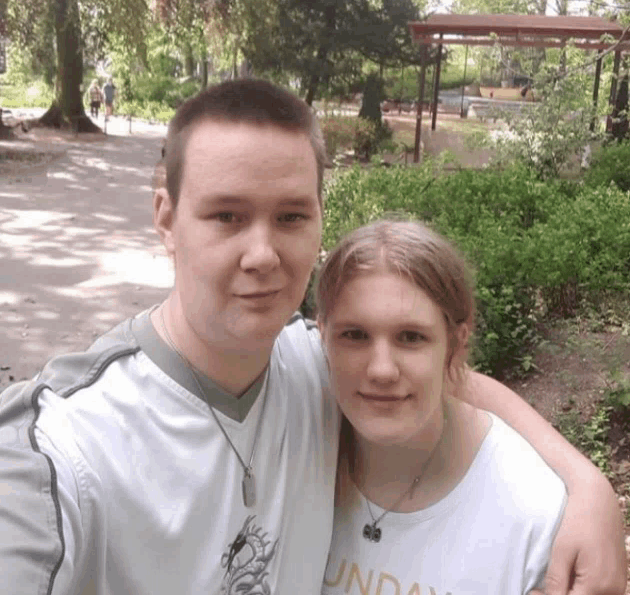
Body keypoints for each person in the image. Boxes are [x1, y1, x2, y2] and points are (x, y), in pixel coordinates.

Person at [0, 79, 625, 595]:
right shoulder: (59, 445)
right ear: (165, 217)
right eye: (227, 216)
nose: (263, 255)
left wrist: (587, 485)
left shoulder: (311, 358)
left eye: (292, 216)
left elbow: (449, 378)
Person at [316, 219, 566, 593]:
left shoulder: (532, 515)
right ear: (321, 334)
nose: (381, 369)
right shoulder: (293, 448)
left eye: (411, 337)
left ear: (455, 342)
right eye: (354, 335)